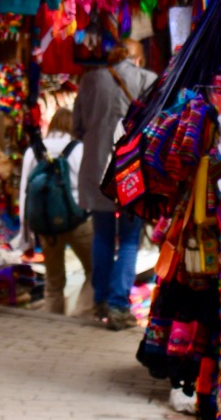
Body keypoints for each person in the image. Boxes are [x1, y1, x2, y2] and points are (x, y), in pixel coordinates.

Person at [73, 40, 156, 329]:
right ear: (139, 58)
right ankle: (120, 307)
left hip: (97, 169)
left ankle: (100, 301)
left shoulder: (90, 80)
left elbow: (78, 127)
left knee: (103, 236)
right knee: (130, 240)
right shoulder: (148, 80)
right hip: (132, 172)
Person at [18, 109, 93, 317]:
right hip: (79, 221)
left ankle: (53, 323)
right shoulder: (79, 149)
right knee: (95, 271)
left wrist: (26, 239)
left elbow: (25, 194)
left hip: (46, 225)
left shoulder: (33, 151)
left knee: (53, 280)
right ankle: (81, 316)